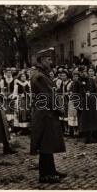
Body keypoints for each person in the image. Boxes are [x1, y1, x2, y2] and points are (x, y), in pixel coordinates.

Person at [30, 55, 67, 183]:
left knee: (48, 143)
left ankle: (51, 170)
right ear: (41, 60)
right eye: (48, 59)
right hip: (45, 113)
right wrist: (59, 108)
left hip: (46, 112)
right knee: (46, 143)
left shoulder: (41, 74)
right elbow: (48, 95)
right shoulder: (40, 76)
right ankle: (45, 174)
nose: (51, 61)